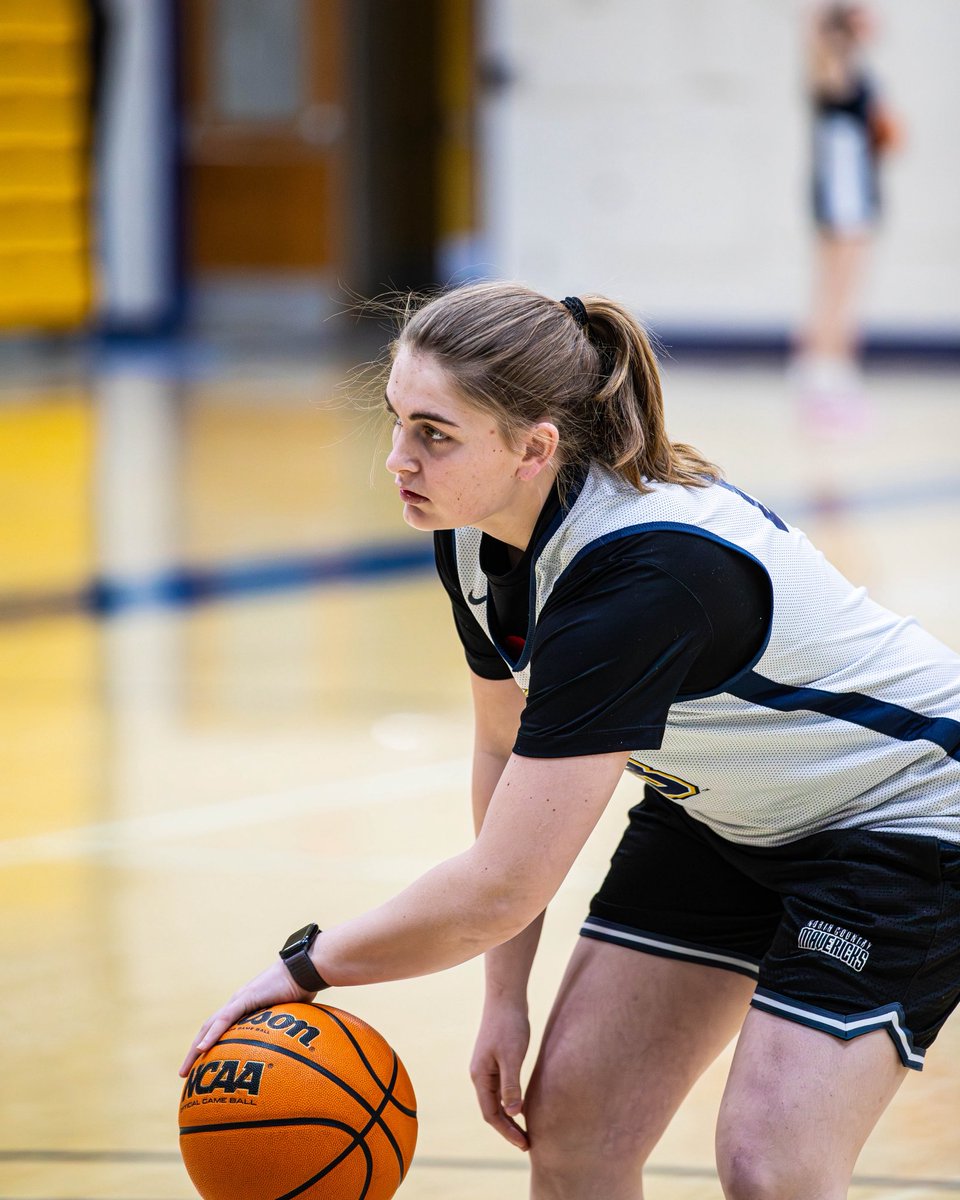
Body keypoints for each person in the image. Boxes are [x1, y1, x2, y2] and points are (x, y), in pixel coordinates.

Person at [182, 282, 960, 1200]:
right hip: (725, 815)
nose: (397, 459)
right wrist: (502, 996)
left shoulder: (642, 577)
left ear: (534, 448)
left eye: (434, 433)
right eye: (395, 420)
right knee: (576, 1133)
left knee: (771, 1166)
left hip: (904, 813)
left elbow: (502, 885)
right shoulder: (476, 534)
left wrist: (303, 965)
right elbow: (502, 752)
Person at [792, 2, 903, 435]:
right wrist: (825, 23)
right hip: (842, 197)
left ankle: (832, 378)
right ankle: (822, 384)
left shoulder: (856, 66)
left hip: (859, 191)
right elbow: (814, 34)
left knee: (846, 290)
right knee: (834, 292)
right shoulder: (828, 60)